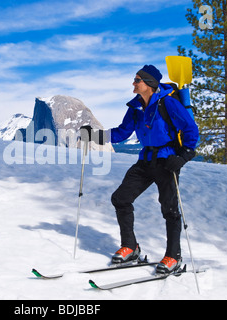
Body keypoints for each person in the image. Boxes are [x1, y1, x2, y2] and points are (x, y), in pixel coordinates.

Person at [81, 65, 199, 274]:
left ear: (149, 83)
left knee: (169, 209)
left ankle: (173, 256)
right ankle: (131, 247)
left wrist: (184, 156)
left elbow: (190, 128)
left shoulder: (168, 103)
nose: (133, 83)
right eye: (134, 80)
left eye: (137, 80)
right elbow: (122, 133)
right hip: (145, 160)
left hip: (167, 161)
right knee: (121, 198)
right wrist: (95, 135)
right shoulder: (135, 108)